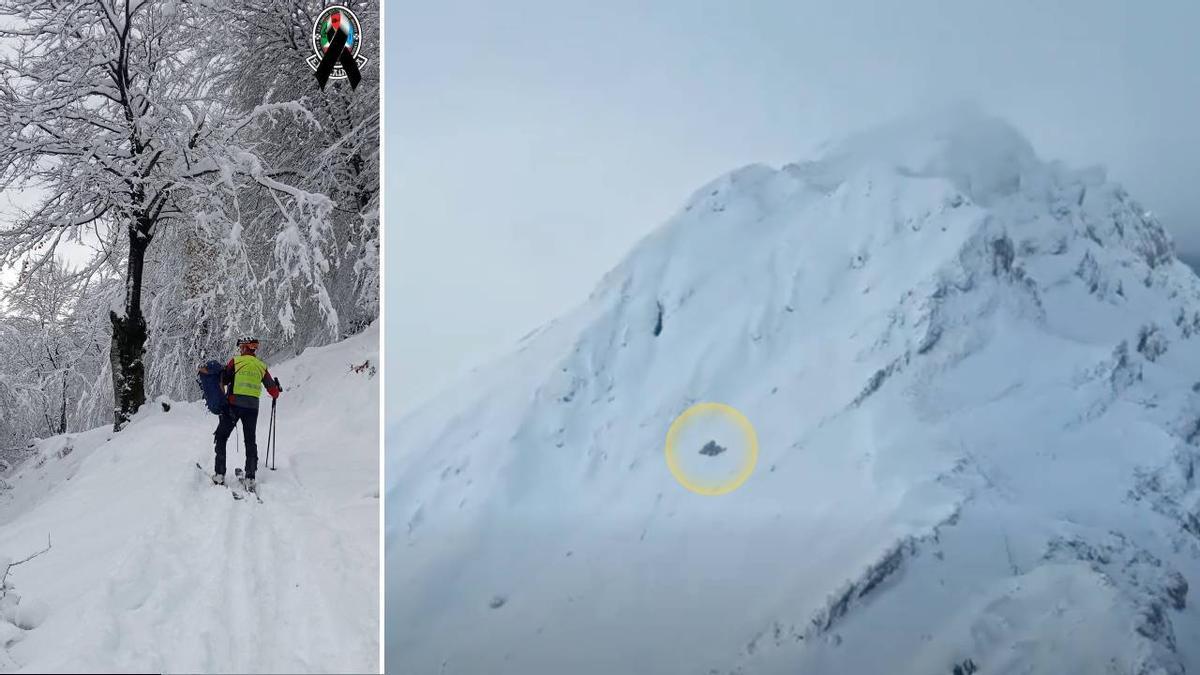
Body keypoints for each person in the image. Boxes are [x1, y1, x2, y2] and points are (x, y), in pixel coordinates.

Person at [212, 337, 280, 492]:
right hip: (252, 408)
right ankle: (250, 477)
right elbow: (273, 392)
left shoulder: (235, 361)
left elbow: (224, 380)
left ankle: (219, 474)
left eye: (241, 347)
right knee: (250, 441)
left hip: (234, 406)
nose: (240, 350)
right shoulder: (261, 366)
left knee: (221, 436)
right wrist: (277, 388)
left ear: (244, 348)